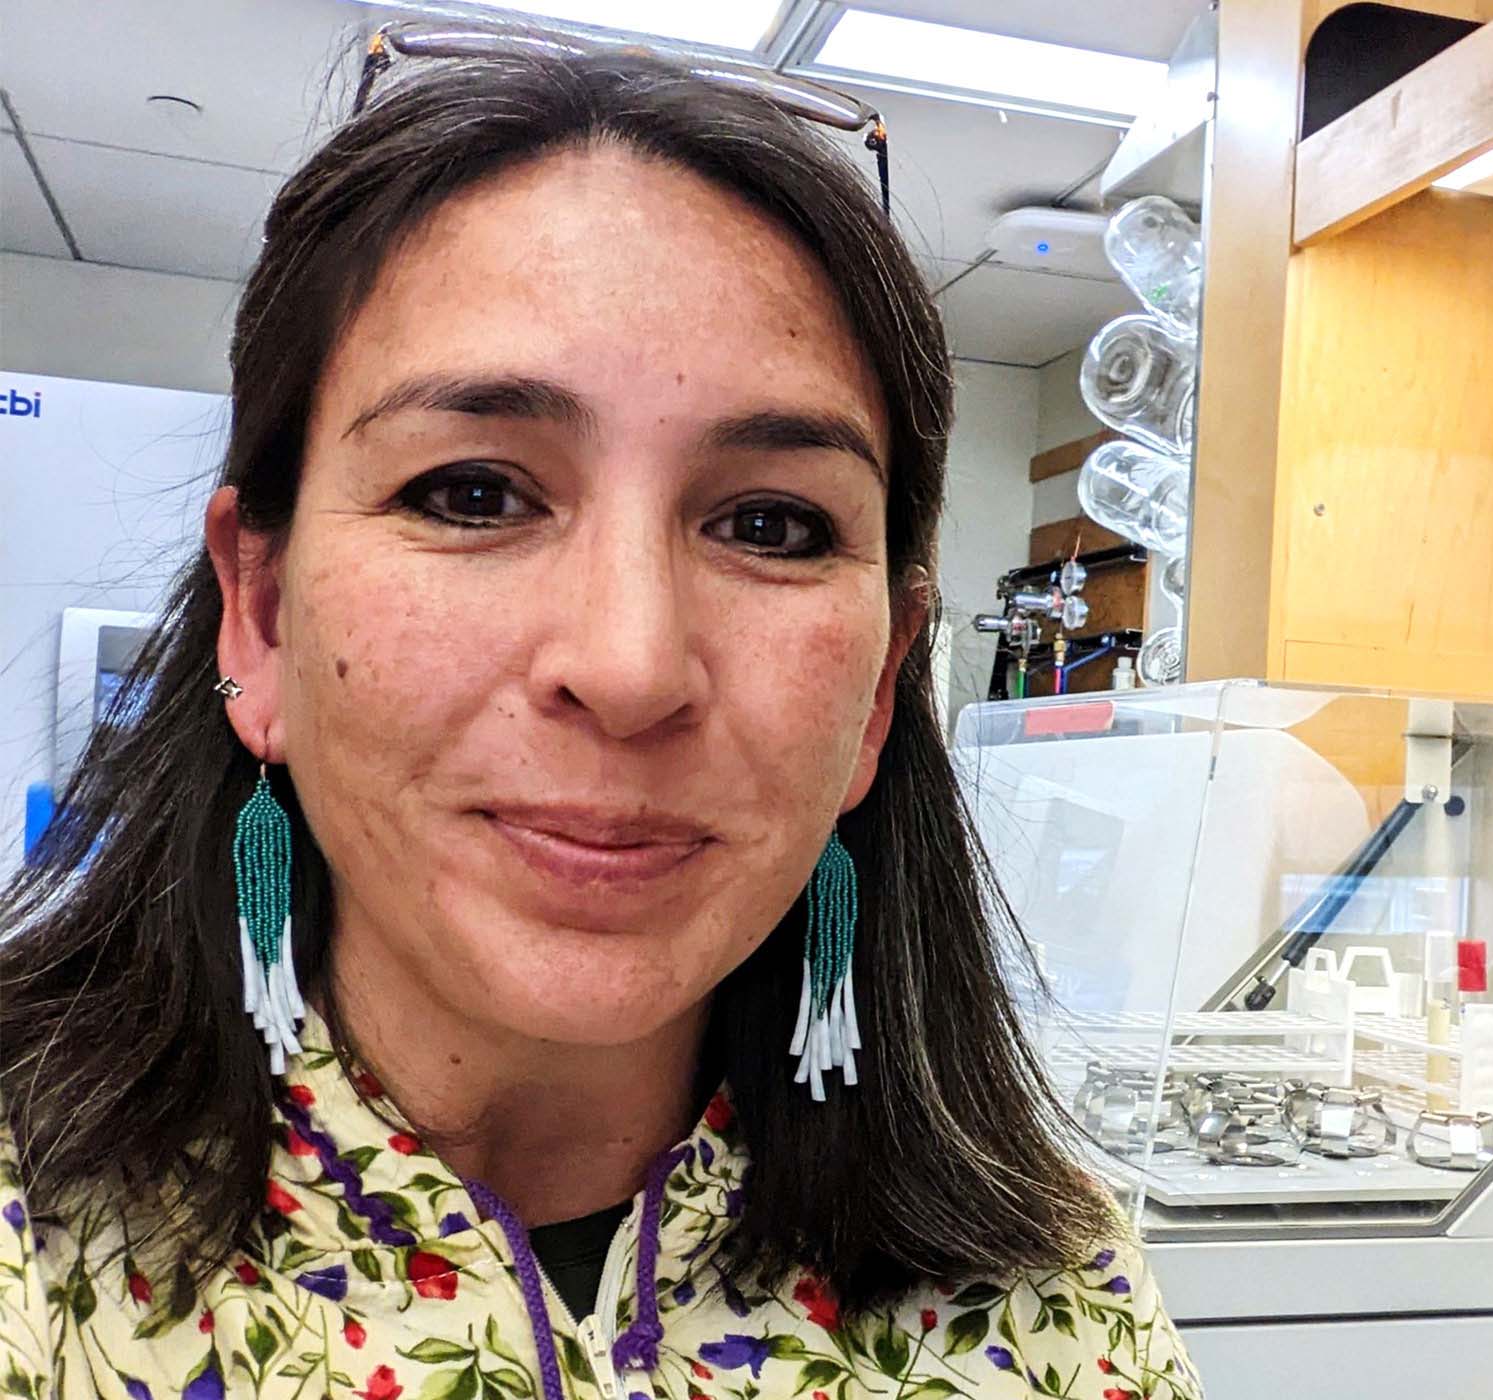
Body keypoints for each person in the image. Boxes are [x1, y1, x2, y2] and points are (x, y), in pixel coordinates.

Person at [0, 42, 1198, 1400]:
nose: (630, 668)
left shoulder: (1058, 1306)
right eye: (472, 494)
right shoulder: (41, 1265)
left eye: (770, 525)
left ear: (880, 690)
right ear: (262, 617)